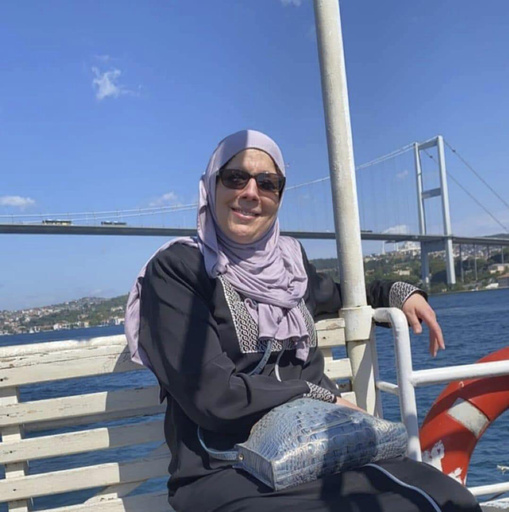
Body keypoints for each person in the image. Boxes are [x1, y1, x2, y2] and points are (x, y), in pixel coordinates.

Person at [125, 130, 480, 512]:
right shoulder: (179, 270)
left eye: (268, 183)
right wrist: (316, 394)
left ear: (279, 196)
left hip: (325, 449)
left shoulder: (289, 266)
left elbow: (345, 293)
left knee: (452, 501)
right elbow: (211, 396)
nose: (250, 192)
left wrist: (400, 293)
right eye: (235, 178)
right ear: (211, 185)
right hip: (226, 467)